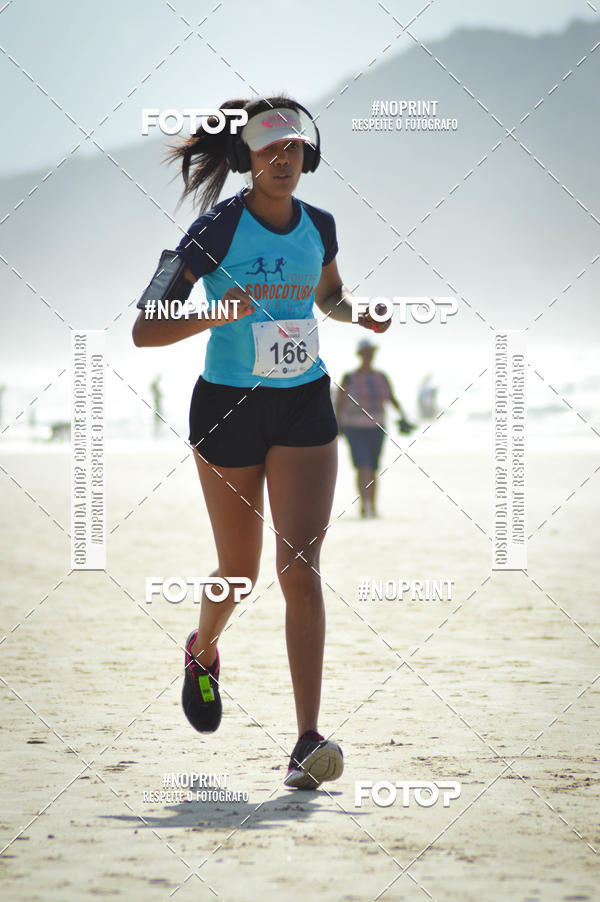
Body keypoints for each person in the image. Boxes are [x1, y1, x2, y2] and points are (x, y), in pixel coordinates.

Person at [132, 96, 390, 789]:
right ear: (247, 158)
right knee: (239, 573)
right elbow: (145, 328)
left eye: (295, 150)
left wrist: (360, 315)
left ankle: (307, 741)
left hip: (305, 404)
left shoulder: (321, 226)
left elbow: (327, 295)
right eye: (270, 150)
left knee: (299, 567)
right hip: (227, 412)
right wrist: (219, 311)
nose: (284, 161)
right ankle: (203, 647)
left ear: (308, 156)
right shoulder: (213, 230)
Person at [336, 339, 404, 518]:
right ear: (360, 354)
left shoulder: (381, 377)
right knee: (362, 466)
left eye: (371, 352)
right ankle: (365, 505)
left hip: (377, 427)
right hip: (354, 428)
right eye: (366, 352)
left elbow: (391, 398)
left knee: (373, 467)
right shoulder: (349, 377)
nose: (369, 355)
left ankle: (372, 506)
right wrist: (337, 424)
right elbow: (340, 402)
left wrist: (403, 416)